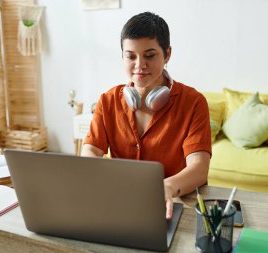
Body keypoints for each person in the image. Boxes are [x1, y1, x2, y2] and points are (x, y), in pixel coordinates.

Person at [81, 12, 211, 219]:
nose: (139, 65)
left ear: (167, 54)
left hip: (173, 205)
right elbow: (90, 150)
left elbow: (199, 168)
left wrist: (167, 187)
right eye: (130, 56)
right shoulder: (107, 101)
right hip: (120, 202)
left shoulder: (194, 102)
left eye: (149, 55)